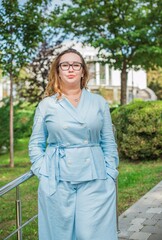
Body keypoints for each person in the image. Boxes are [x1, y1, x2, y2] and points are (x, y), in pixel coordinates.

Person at [29, 48, 119, 240]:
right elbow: (36, 143)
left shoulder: (98, 102)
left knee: (92, 234)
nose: (71, 69)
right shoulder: (46, 105)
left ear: (83, 71)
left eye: (76, 65)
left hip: (95, 178)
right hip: (56, 177)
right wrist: (42, 170)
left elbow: (108, 142)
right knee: (60, 234)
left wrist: (110, 171)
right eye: (65, 65)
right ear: (58, 71)